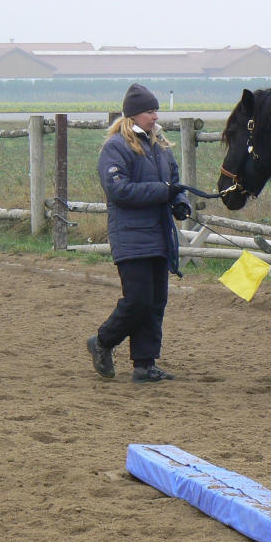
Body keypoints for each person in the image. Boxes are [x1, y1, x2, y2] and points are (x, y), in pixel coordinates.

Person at [87, 83, 192, 383]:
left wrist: (179, 202)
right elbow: (118, 190)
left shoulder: (159, 147)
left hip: (159, 236)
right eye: (150, 111)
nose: (155, 116)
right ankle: (103, 341)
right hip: (131, 238)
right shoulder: (115, 147)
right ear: (134, 115)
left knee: (156, 300)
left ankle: (145, 364)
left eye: (156, 110)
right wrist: (163, 192)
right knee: (137, 300)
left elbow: (173, 181)